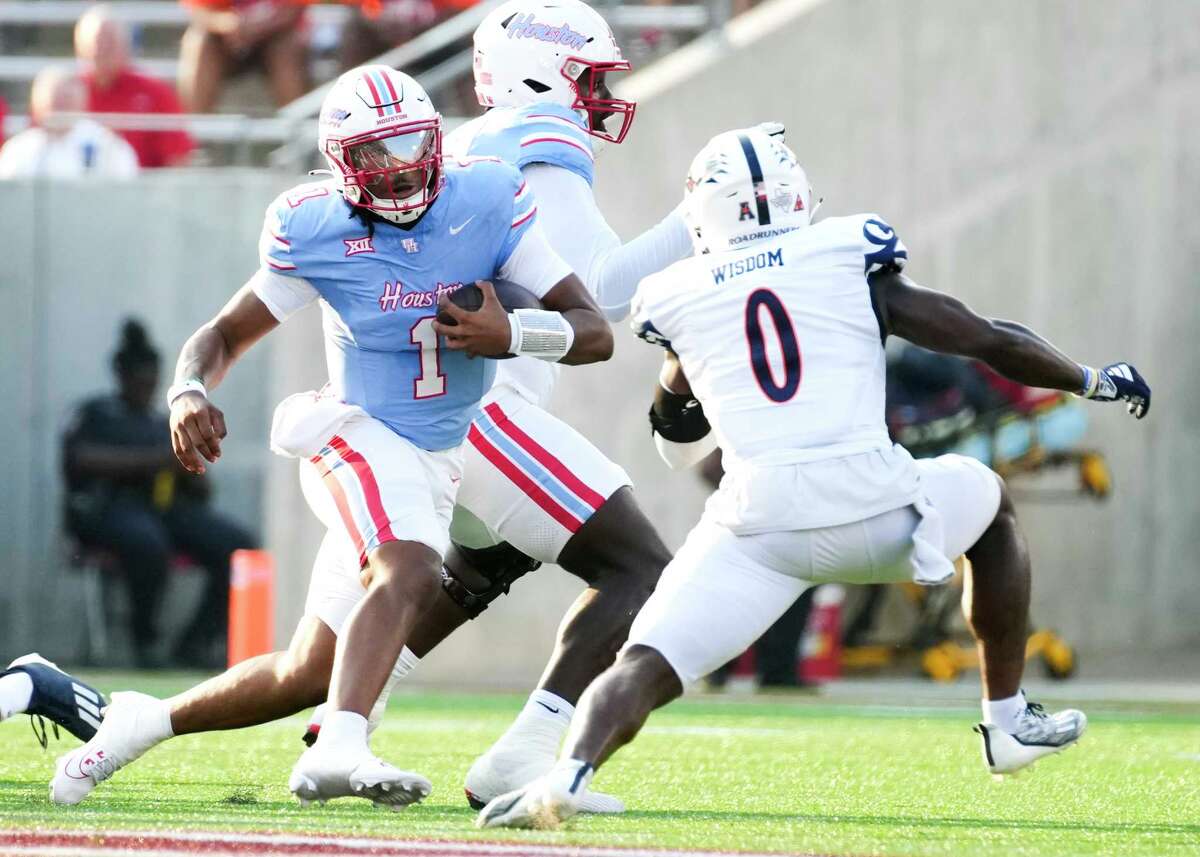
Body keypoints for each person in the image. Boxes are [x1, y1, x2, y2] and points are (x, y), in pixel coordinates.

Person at [476, 126, 1152, 829]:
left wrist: (682, 399)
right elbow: (983, 337)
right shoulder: (846, 252)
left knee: (644, 659)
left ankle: (569, 775)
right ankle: (1006, 720)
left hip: (758, 529)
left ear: (702, 212)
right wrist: (1090, 379)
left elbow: (674, 424)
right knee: (990, 502)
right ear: (796, 194)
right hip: (881, 511)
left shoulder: (674, 294)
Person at [48, 64, 612, 810]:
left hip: (445, 448)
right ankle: (342, 747)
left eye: (411, 143)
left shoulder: (486, 196)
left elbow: (594, 332)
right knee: (412, 568)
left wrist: (514, 330)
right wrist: (188, 389)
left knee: (309, 668)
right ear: (342, 162)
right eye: (377, 154)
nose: (400, 166)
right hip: (354, 432)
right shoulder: (313, 225)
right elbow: (222, 333)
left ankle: (142, 721)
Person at [62, 319, 255, 668]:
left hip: (162, 512)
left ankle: (195, 643)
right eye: (140, 379)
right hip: (108, 512)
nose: (146, 387)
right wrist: (153, 461)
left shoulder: (159, 421)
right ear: (122, 375)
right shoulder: (96, 414)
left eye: (152, 380)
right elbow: (80, 459)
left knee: (239, 545)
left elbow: (201, 490)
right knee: (148, 542)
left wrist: (191, 462)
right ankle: (145, 640)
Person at [76, 5, 195, 168]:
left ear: (126, 46)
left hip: (142, 189)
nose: (102, 50)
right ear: (80, 47)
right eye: (97, 42)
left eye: (110, 42)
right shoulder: (65, 93)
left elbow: (178, 158)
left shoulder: (154, 92)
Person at [0, 68, 139, 179]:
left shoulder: (108, 145)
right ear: (35, 105)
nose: (61, 109)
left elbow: (126, 191)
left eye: (67, 100)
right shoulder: (19, 149)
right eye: (56, 101)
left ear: (83, 103)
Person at [177, 0, 309, 112]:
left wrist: (253, 29)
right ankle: (193, 130)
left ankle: (295, 128)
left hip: (276, 39)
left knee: (285, 47)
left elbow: (292, 10)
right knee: (199, 42)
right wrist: (230, 25)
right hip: (226, 41)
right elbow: (201, 13)